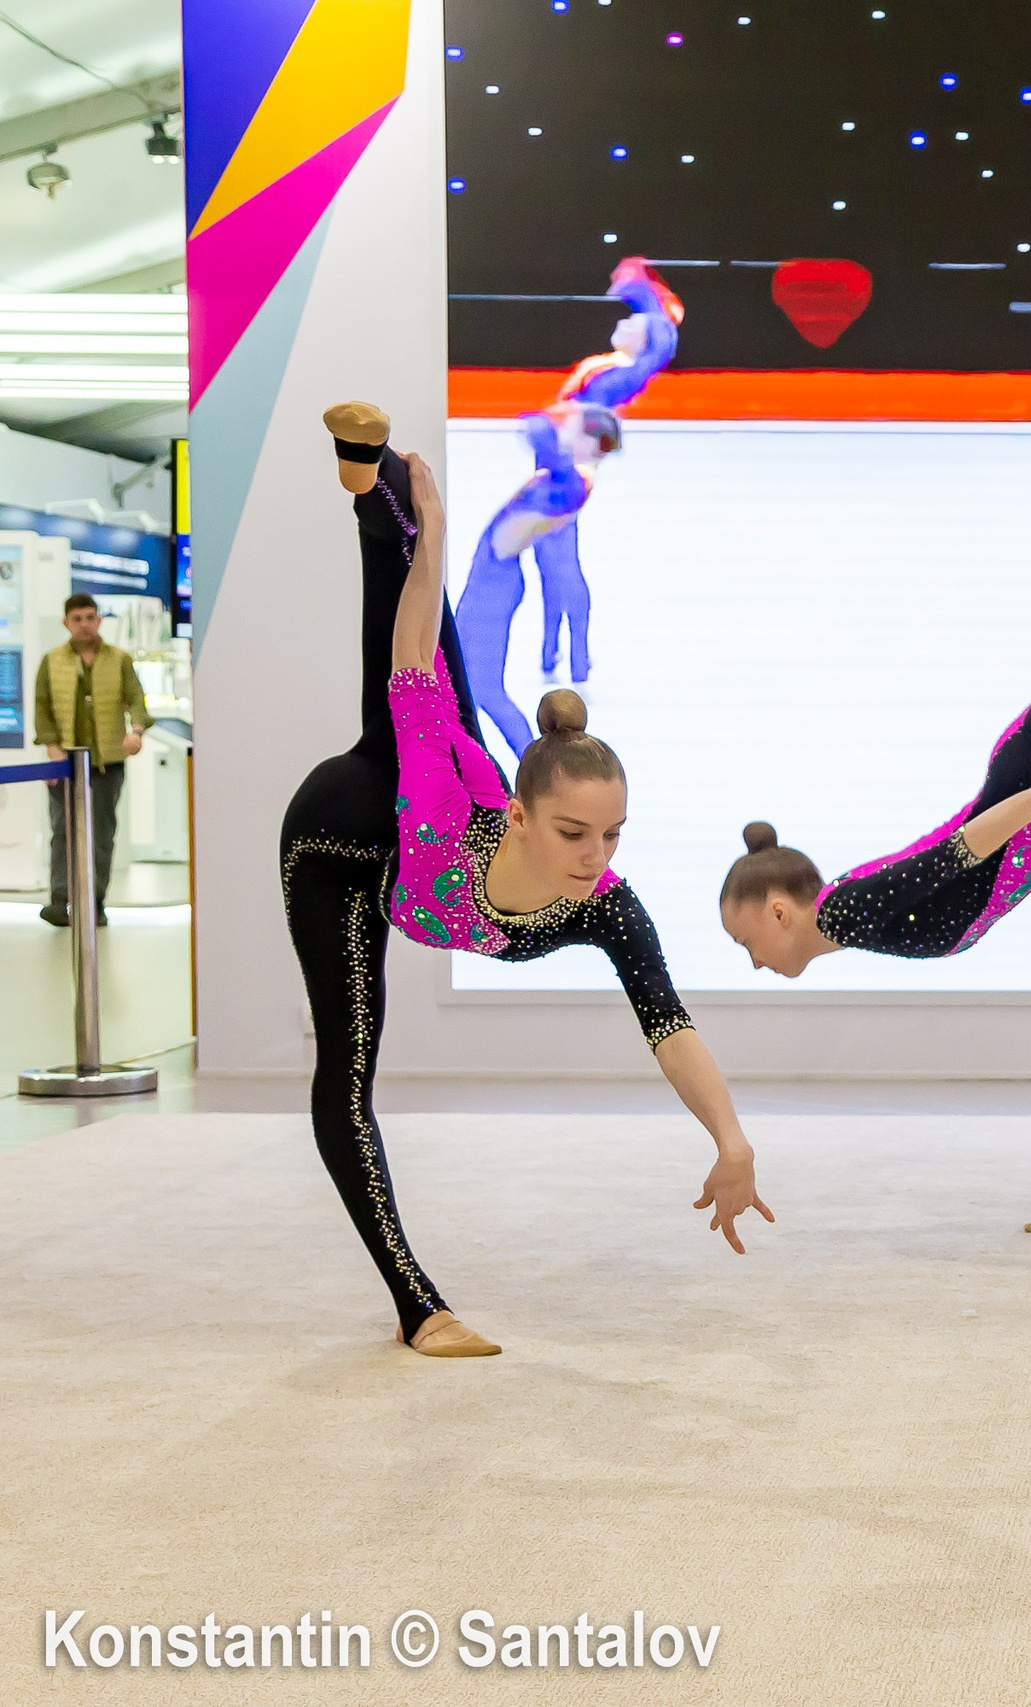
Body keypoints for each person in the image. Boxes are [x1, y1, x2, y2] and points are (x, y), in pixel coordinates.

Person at [283, 403, 768, 1360]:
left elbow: (667, 1021)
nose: (599, 856)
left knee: (435, 683)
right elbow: (407, 648)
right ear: (521, 816)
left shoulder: (602, 900)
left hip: (435, 803)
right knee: (347, 1070)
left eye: (614, 834)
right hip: (346, 843)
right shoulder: (444, 810)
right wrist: (438, 545)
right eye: (576, 832)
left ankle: (375, 488)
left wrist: (732, 1137)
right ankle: (417, 1304)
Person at [718, 276, 1031, 1235]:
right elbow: (983, 867)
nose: (754, 962)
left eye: (747, 941)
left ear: (780, 907)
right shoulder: (847, 924)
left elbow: (959, 852)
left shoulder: (850, 907)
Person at [531, 258, 685, 684]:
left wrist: (639, 286)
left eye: (635, 323)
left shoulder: (621, 374)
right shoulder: (610, 367)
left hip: (567, 467)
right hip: (561, 464)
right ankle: (557, 649)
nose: (628, 323)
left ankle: (571, 651)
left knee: (560, 559)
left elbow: (662, 339)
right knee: (553, 557)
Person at [453, 401, 622, 756]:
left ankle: (534, 763)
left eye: (572, 429)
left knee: (483, 690)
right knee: (465, 684)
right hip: (493, 575)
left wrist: (553, 414)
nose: (565, 434)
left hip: (495, 582)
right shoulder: (568, 477)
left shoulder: (575, 482)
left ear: (591, 442)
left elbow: (538, 431)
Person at [33, 591, 152, 927]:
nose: (85, 625)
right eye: (77, 619)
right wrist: (52, 747)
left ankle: (95, 904)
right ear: (66, 623)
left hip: (107, 764)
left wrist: (137, 731)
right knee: (63, 833)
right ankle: (60, 903)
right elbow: (42, 709)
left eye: (90, 617)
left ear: (99, 620)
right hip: (63, 763)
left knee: (101, 836)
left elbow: (136, 700)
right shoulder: (52, 660)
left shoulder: (119, 659)